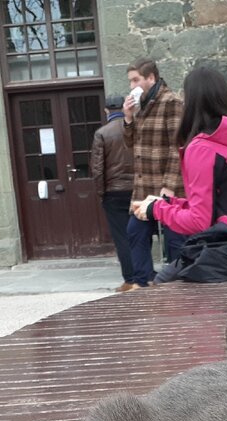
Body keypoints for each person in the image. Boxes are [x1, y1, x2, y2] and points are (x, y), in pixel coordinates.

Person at [133, 67, 227, 281]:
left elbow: (199, 222)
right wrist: (167, 202)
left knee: (164, 282)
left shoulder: (202, 148)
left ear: (192, 101)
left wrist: (157, 210)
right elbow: (223, 206)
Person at [122, 58, 186, 289]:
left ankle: (181, 283)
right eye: (130, 81)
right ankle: (143, 283)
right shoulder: (141, 105)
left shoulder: (172, 102)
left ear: (151, 78)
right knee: (135, 232)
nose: (132, 86)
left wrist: (169, 184)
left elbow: (178, 146)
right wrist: (128, 118)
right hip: (143, 186)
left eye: (136, 80)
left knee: (175, 238)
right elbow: (132, 145)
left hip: (166, 187)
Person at [91, 94, 136, 292]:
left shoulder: (102, 133)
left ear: (106, 110)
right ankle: (145, 275)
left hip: (114, 192)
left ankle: (130, 279)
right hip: (137, 189)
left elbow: (97, 168)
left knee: (122, 237)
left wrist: (101, 193)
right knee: (139, 235)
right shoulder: (135, 128)